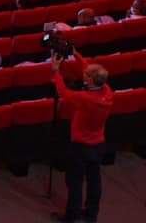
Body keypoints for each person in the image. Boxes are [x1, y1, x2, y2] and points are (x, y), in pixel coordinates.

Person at [50, 50, 114, 223]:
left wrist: (56, 71)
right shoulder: (107, 92)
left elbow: (64, 93)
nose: (84, 74)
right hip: (98, 144)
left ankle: (72, 215)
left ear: (90, 80)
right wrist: (75, 54)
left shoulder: (85, 98)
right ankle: (91, 215)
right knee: (94, 181)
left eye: (86, 75)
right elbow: (87, 67)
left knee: (75, 182)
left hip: (81, 146)